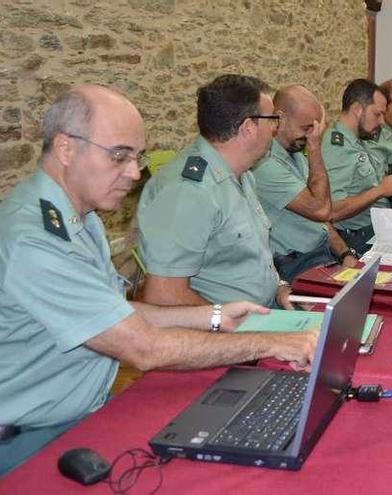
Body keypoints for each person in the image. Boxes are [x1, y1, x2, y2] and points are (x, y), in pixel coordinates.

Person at [0, 85, 317, 476]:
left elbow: (117, 312)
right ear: (66, 148)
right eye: (119, 156)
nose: (134, 174)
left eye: (137, 157)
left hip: (84, 413)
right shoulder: (38, 237)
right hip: (29, 440)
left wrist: (215, 316)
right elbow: (143, 348)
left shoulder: (81, 217)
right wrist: (273, 343)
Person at [137, 74, 292, 309]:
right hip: (225, 330)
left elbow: (248, 258)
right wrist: (233, 326)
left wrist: (279, 287)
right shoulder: (188, 191)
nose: (275, 129)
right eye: (273, 120)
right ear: (248, 128)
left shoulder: (243, 175)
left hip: (267, 310)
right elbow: (163, 295)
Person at [251, 84, 357, 281]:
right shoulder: (265, 162)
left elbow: (322, 220)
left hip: (321, 254)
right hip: (293, 264)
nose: (312, 135)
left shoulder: (295, 153)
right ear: (280, 118)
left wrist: (345, 253)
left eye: (315, 128)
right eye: (307, 128)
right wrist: (315, 148)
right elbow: (321, 209)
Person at [322, 78, 392, 257]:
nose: (382, 121)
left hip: (376, 226)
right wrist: (381, 190)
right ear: (358, 109)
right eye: (377, 114)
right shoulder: (338, 147)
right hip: (358, 238)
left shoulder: (357, 141)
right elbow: (333, 211)